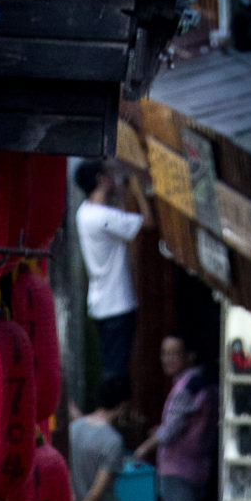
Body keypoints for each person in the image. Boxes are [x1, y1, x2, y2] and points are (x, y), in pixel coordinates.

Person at [134, 334, 214, 501]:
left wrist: (144, 448)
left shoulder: (187, 387)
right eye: (164, 354)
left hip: (178, 469)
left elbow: (171, 430)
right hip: (196, 466)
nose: (167, 360)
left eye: (174, 353)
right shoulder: (201, 385)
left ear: (189, 356)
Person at [75, 162, 148, 391]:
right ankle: (109, 413)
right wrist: (139, 190)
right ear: (102, 179)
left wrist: (121, 195)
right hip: (117, 302)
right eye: (110, 175)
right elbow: (147, 223)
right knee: (116, 371)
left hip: (100, 302)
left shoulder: (84, 212)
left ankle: (109, 411)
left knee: (112, 366)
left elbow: (119, 219)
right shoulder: (102, 217)